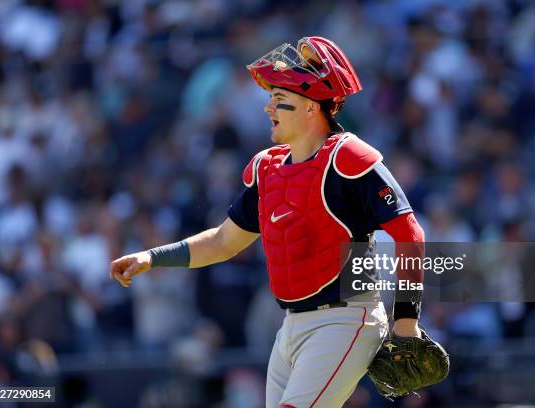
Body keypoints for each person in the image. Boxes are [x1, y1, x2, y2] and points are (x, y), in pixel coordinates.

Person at [110, 36, 425, 408]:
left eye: (279, 99)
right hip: (290, 326)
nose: (268, 108)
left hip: (346, 319)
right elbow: (224, 242)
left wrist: (406, 320)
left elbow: (410, 235)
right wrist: (152, 257)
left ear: (310, 108)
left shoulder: (348, 157)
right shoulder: (268, 168)